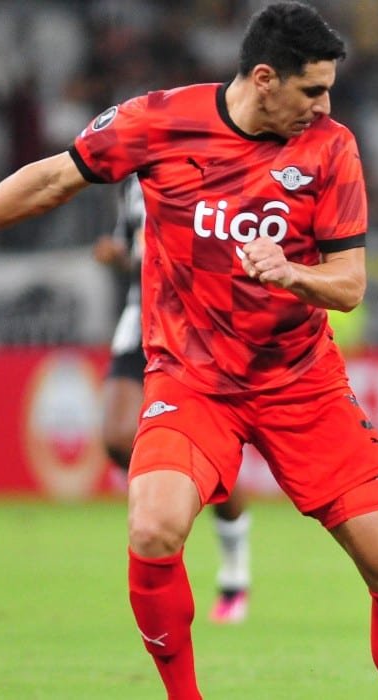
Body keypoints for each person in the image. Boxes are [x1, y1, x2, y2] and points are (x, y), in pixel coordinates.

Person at [0, 4, 378, 699]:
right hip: (191, 380)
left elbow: (349, 286)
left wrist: (292, 273)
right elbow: (50, 180)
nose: (326, 105)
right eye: (312, 90)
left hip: (300, 384)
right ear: (263, 79)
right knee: (154, 527)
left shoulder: (331, 147)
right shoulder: (157, 122)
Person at [96, 174, 253, 625]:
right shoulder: (132, 182)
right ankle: (177, 494)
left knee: (213, 448)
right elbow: (136, 248)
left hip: (200, 323)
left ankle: (234, 571)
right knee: (117, 437)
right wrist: (117, 257)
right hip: (142, 316)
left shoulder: (216, 168)